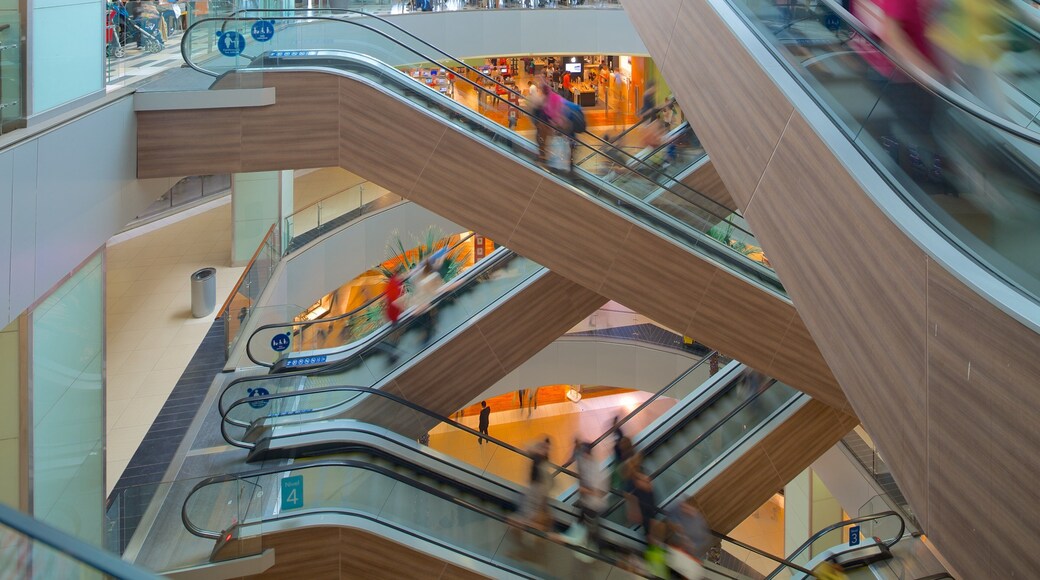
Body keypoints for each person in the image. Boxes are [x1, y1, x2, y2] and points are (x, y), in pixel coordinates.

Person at [572, 440, 606, 548]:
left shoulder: (595, 469)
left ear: (586, 453)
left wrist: (584, 490)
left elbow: (599, 492)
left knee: (589, 527)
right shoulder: (587, 462)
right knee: (584, 524)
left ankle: (590, 547)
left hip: (592, 505)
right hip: (587, 503)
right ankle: (583, 544)